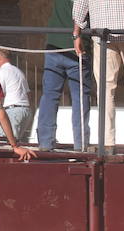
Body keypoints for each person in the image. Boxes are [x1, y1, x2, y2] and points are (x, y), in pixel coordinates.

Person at [72, 0, 124, 154]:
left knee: (105, 89)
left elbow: (79, 8)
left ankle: (107, 142)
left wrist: (76, 34)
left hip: (102, 34)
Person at [38, 0, 93, 151]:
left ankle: (45, 142)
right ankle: (80, 144)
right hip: (78, 48)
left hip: (54, 44)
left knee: (49, 95)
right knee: (80, 98)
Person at [0, 49, 31, 146]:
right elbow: (28, 93)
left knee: (7, 143)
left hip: (12, 111)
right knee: (17, 142)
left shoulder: (0, 72)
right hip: (25, 110)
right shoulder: (19, 72)